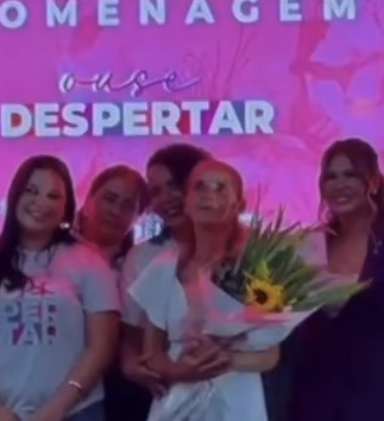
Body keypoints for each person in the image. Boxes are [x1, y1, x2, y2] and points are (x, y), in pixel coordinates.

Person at [0, 155, 120, 421]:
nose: (41, 203)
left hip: (75, 412)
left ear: (66, 208)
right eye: (31, 191)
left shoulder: (89, 262)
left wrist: (57, 409)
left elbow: (101, 346)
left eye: (53, 196)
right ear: (15, 195)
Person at [288, 138, 384, 420]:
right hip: (321, 398)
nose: (339, 185)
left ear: (374, 181)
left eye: (351, 174)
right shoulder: (309, 243)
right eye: (330, 177)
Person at [129, 159, 281, 420]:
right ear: (187, 201)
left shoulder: (257, 270)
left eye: (220, 187)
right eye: (199, 187)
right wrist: (180, 371)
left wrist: (223, 360)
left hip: (237, 402)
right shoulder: (162, 268)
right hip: (177, 403)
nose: (208, 194)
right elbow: (151, 354)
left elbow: (270, 355)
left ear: (239, 205)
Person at [117, 144, 217, 406]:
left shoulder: (241, 249)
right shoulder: (144, 257)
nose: (166, 198)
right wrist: (132, 366)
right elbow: (132, 336)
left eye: (175, 186)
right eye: (156, 192)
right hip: (171, 394)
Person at [76, 165, 152, 421]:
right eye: (109, 199)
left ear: (138, 217)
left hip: (125, 391)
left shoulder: (142, 266)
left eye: (128, 206)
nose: (115, 210)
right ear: (88, 200)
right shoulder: (52, 254)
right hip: (60, 386)